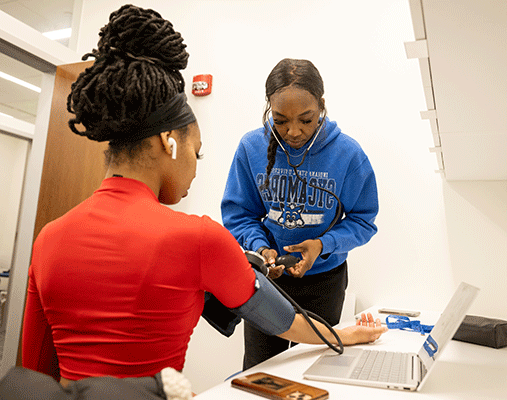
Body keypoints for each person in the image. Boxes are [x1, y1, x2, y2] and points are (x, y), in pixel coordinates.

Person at [21, 5, 386, 388]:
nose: (196, 168)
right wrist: (344, 335)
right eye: (198, 152)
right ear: (169, 142)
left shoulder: (48, 239)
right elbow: (280, 320)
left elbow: (34, 377)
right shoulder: (200, 239)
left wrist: (323, 246)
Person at [221, 58, 379, 370]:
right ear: (269, 109)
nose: (294, 131)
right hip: (269, 279)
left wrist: (322, 245)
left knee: (316, 366)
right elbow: (239, 213)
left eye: (306, 120)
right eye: (280, 121)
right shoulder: (251, 147)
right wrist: (261, 248)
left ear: (321, 105)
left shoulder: (348, 154)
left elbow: (363, 221)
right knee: (260, 370)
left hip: (325, 281)